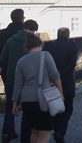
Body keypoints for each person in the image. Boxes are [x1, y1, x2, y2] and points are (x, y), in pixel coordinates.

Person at [12, 33, 63, 143]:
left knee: (35, 131)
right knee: (45, 133)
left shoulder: (21, 61)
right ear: (40, 45)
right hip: (43, 99)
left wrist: (15, 103)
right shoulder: (46, 56)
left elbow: (18, 84)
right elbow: (55, 75)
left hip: (26, 100)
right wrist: (61, 93)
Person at [0, 19, 38, 143]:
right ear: (34, 30)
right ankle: (25, 138)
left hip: (12, 77)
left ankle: (6, 133)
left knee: (10, 106)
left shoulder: (10, 41)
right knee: (27, 107)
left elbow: (3, 59)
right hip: (28, 79)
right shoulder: (33, 42)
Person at [43, 28, 77, 143]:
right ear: (68, 35)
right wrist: (61, 78)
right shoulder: (72, 47)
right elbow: (72, 65)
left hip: (51, 82)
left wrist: (53, 79)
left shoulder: (48, 47)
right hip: (66, 82)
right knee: (68, 109)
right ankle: (59, 131)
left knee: (54, 108)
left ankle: (57, 129)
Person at [0, 9, 24, 141]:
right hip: (25, 72)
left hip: (7, 71)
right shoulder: (28, 35)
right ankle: (29, 132)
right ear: (22, 19)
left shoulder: (2, 33)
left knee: (10, 102)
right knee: (28, 101)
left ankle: (8, 132)